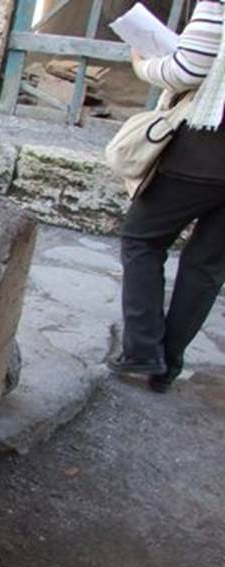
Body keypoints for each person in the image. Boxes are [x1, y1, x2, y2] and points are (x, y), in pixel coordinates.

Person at [111, 0, 225, 392]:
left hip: (206, 152)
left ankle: (143, 349)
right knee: (207, 265)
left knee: (142, 238)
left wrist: (141, 62)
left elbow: (187, 69)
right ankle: (167, 365)